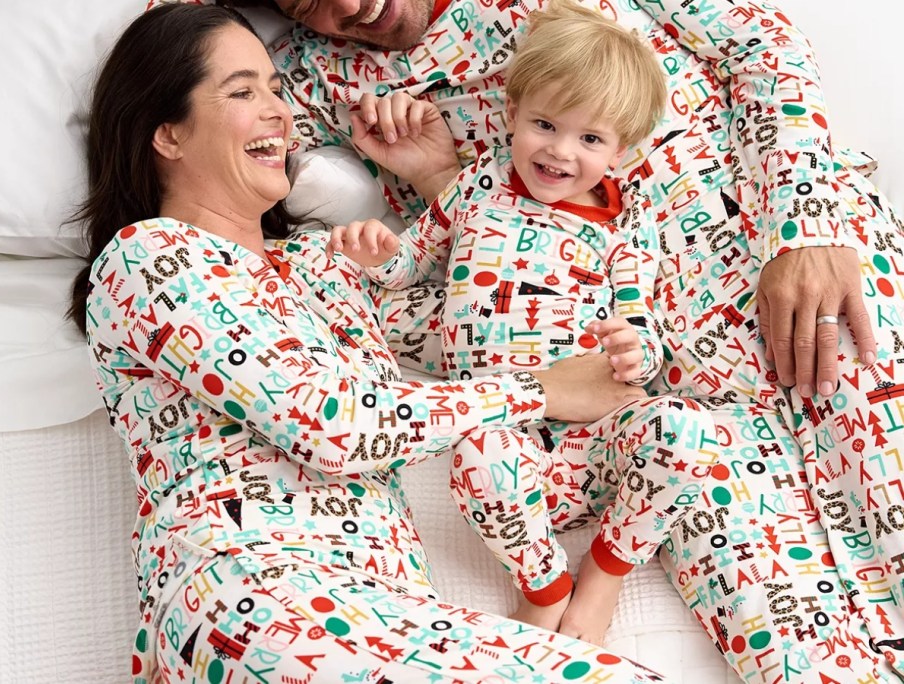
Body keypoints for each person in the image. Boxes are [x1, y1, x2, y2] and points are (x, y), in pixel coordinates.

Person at [217, 0, 904, 681]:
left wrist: (807, 224)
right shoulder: (308, 76)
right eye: (305, 2)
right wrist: (435, 182)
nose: (346, 5)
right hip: (651, 373)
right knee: (786, 645)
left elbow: (763, 41)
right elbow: (206, 147)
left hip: (800, 266)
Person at [68, 4, 677, 682]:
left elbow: (473, 314)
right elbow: (331, 423)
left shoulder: (321, 263)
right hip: (258, 600)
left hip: (393, 611)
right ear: (168, 135)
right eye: (242, 91)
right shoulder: (149, 256)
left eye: (275, 87)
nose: (277, 111)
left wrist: (432, 176)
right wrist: (542, 392)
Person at [325, 0, 717, 645]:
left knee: (688, 432)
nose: (561, 152)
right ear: (511, 114)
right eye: (544, 124)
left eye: (590, 139)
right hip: (512, 444)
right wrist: (379, 257)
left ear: (623, 150)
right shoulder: (479, 185)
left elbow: (643, 330)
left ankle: (603, 575)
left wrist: (632, 354)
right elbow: (415, 262)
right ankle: (543, 584)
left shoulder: (625, 224)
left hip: (595, 442)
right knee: (474, 452)